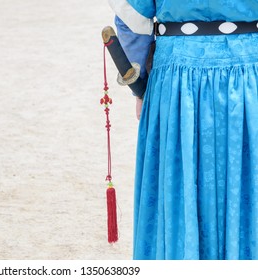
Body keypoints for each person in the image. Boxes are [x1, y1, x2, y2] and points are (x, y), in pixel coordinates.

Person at [108, 0, 258, 260]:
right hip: (248, 75)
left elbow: (132, 19)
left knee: (178, 183)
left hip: (177, 78)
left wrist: (141, 89)